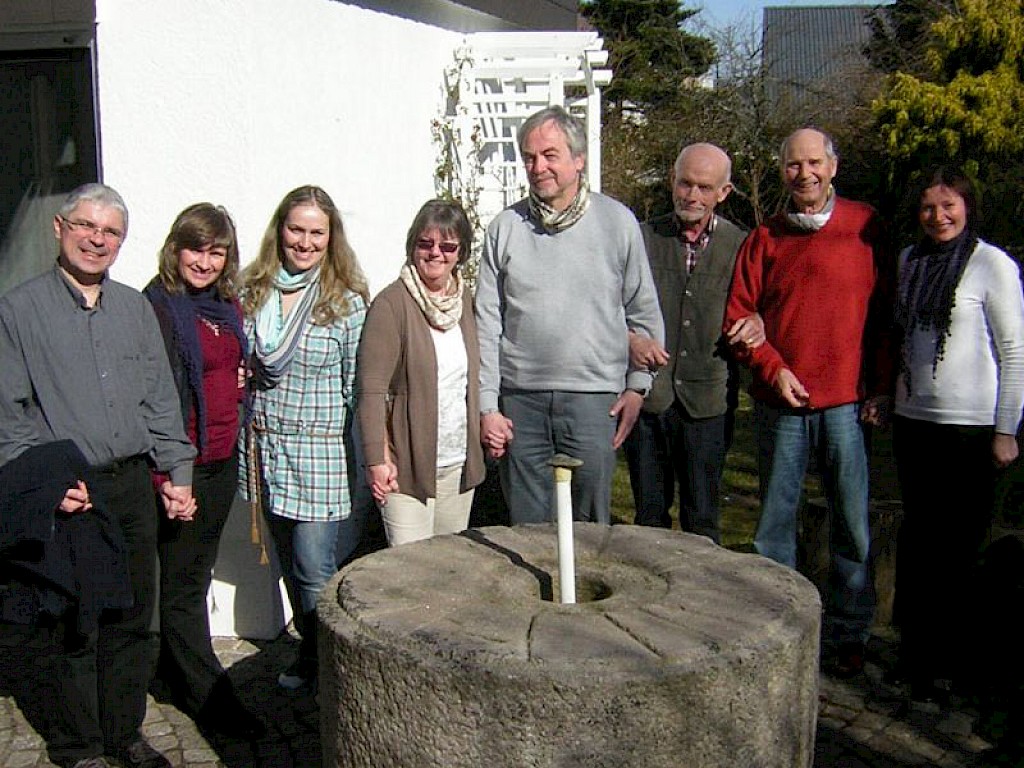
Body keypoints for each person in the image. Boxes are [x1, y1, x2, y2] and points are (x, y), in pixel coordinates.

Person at [0, 183, 196, 768]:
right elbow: (10, 413)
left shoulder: (135, 308)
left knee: (133, 617)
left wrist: (178, 472)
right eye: (86, 225)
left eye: (110, 232)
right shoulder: (19, 310)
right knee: (75, 624)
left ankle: (123, 733)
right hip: (72, 488)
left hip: (131, 485)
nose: (96, 239)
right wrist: (48, 484)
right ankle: (79, 745)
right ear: (59, 228)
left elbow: (160, 399)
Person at [723, 128, 894, 676]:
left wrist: (880, 386)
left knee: (851, 524)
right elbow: (738, 320)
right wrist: (773, 369)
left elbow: (885, 315)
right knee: (775, 527)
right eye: (794, 165)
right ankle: (777, 630)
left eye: (814, 163)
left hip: (846, 403)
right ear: (783, 172)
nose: (805, 174)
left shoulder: (865, 227)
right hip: (782, 404)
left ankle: (849, 633)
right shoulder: (765, 238)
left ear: (833, 167)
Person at [475, 105, 664, 525]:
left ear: (578, 160)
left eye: (549, 155)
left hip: (594, 401)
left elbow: (643, 309)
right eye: (529, 157)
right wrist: (488, 405)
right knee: (528, 529)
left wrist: (638, 387)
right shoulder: (505, 228)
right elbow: (487, 323)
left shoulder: (617, 223)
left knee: (590, 526)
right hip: (521, 400)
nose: (537, 167)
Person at [890, 167, 1024, 701]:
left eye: (948, 206)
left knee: (959, 547)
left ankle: (953, 662)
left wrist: (1006, 428)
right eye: (928, 207)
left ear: (967, 206)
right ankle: (915, 654)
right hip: (914, 421)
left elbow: (1014, 352)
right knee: (919, 544)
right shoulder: (910, 260)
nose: (938, 217)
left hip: (970, 429)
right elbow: (904, 339)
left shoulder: (991, 264)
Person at [142, 204, 265, 739]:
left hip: (220, 459)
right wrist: (170, 477)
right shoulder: (157, 308)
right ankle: (209, 698)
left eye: (217, 252)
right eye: (196, 248)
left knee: (191, 573)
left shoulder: (224, 305)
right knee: (183, 583)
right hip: (181, 468)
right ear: (175, 248)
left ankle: (172, 675)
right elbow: (152, 398)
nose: (205, 261)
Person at [239, 185, 368, 691]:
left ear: (331, 238)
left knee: (315, 566)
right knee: (289, 564)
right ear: (280, 230)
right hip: (267, 450)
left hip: (320, 454)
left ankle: (331, 664)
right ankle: (311, 654)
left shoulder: (345, 303)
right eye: (297, 229)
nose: (305, 242)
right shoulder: (254, 292)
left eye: (317, 232)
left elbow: (356, 389)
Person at [623, 143, 751, 540]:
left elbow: (760, 303)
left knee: (703, 518)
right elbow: (607, 305)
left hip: (708, 400)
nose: (692, 195)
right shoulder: (642, 237)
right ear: (672, 181)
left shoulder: (741, 246)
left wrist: (757, 321)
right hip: (650, 397)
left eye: (704, 187)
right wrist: (629, 338)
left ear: (723, 192)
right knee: (649, 516)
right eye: (684, 184)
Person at [357, 200, 485, 545]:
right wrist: (377, 459)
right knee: (411, 568)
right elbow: (371, 391)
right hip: (405, 471)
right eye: (425, 243)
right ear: (412, 246)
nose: (435, 253)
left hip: (457, 466)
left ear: (461, 252)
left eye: (448, 246)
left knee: (449, 568)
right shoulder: (391, 305)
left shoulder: (465, 303)